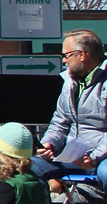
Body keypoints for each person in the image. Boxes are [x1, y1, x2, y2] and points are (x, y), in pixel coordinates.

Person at [38, 29, 106, 175]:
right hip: (71, 156)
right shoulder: (69, 83)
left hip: (101, 157)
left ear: (81, 55)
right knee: (28, 167)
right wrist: (49, 144)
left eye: (66, 55)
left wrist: (93, 157)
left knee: (105, 173)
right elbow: (60, 122)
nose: (64, 60)